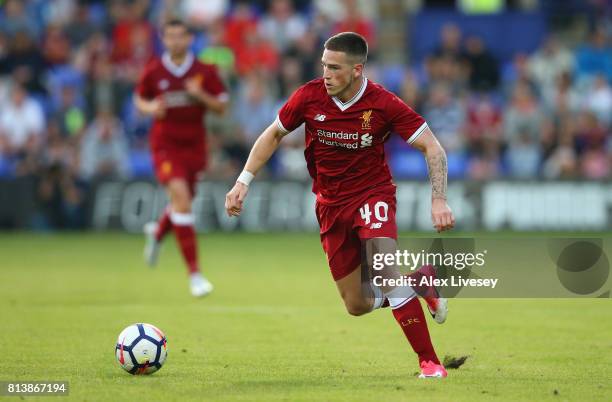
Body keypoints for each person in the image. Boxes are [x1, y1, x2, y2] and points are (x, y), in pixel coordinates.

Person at [225, 32, 455, 378]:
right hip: (330, 205)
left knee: (384, 269)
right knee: (356, 304)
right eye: (323, 66)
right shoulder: (309, 96)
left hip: (372, 195)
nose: (326, 74)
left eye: (334, 68)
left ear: (357, 70)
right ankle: (420, 282)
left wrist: (438, 199)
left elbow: (433, 147)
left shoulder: (382, 103)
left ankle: (430, 363)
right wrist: (243, 180)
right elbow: (273, 133)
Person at [134, 19, 228, 297]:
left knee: (181, 202)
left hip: (195, 146)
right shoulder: (153, 70)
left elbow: (222, 106)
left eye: (181, 36)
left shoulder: (204, 71)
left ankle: (157, 232)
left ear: (189, 39)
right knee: (182, 200)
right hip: (165, 145)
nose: (175, 41)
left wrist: (200, 95)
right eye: (170, 36)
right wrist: (151, 107)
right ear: (163, 39)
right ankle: (195, 275)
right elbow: (140, 99)